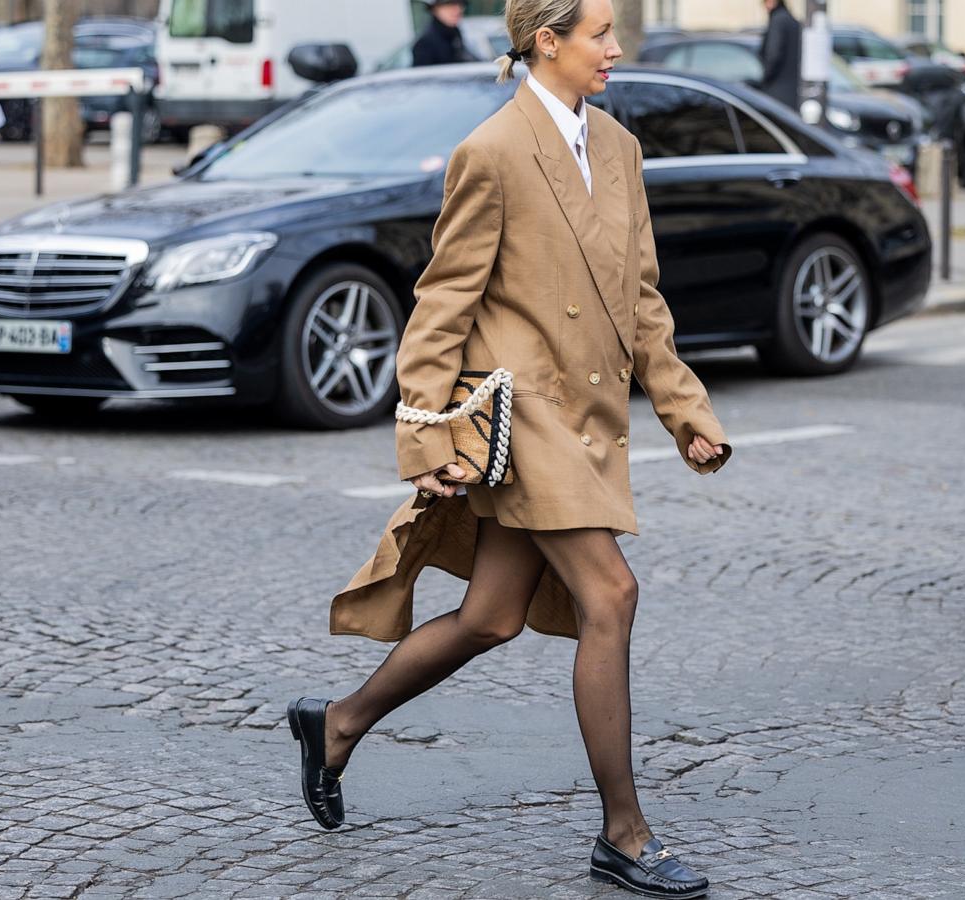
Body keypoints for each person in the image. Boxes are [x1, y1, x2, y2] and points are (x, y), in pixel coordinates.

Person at [287, 0, 731, 895]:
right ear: (547, 41)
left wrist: (685, 409)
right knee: (612, 593)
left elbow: (641, 297)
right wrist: (428, 436)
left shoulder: (618, 148)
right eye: (600, 33)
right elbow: (441, 304)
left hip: (589, 416)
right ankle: (624, 832)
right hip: (524, 417)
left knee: (491, 616)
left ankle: (336, 722)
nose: (615, 48)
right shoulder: (492, 150)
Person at [757, 0, 802, 110]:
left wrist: (763, 78)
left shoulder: (777, 20)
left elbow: (773, 55)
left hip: (777, 93)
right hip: (794, 92)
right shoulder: (792, 20)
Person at [412, 0, 472, 67]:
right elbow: (422, 75)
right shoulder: (425, 43)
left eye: (460, 5)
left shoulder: (454, 34)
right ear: (434, 9)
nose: (457, 10)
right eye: (449, 5)